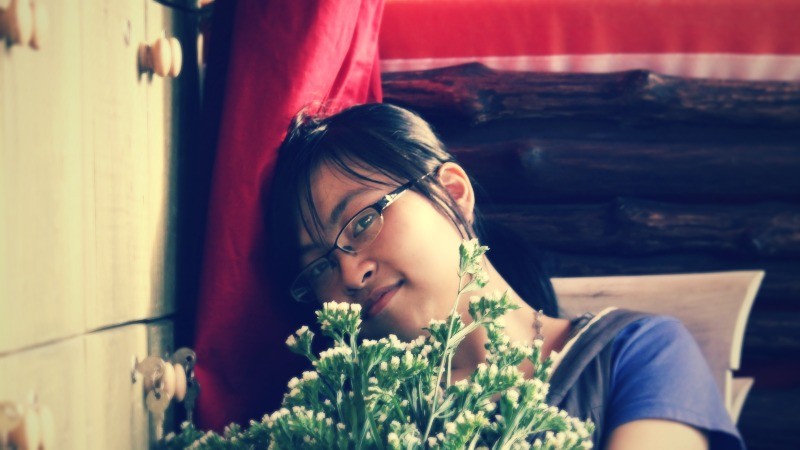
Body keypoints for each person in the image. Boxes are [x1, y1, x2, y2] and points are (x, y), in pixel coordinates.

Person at [265, 103, 745, 450]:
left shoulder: (636, 354)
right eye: (320, 265)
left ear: (452, 193)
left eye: (363, 221)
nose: (350, 274)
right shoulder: (354, 422)